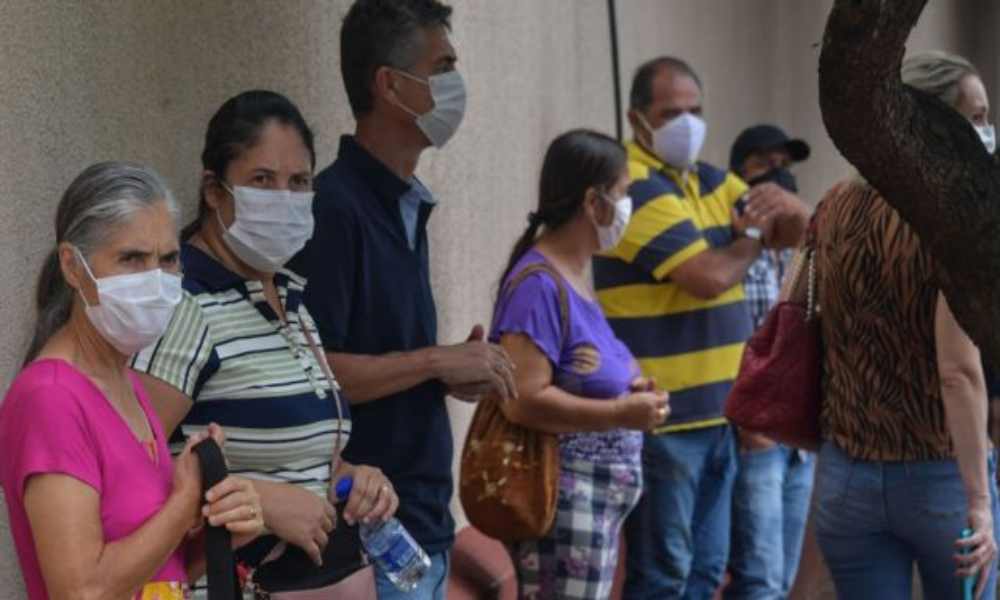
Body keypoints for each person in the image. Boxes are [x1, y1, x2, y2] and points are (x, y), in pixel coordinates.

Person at [131, 90, 398, 597]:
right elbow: (130, 464)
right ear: (213, 190)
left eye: (299, 182)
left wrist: (352, 477)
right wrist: (258, 501)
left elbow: (299, 458)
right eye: (262, 180)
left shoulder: (290, 298)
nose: (285, 198)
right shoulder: (186, 306)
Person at [291, 2, 516, 598]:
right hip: (370, 534)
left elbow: (380, 357)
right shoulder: (335, 210)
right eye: (442, 66)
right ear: (390, 86)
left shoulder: (404, 202)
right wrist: (435, 362)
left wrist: (446, 375)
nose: (455, 85)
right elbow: (315, 373)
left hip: (422, 525)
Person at [593, 56, 808, 599]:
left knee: (705, 573)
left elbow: (795, 233)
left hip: (719, 416)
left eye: (695, 111)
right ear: (636, 118)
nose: (685, 124)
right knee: (663, 576)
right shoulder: (632, 188)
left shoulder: (712, 181)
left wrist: (793, 209)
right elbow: (707, 277)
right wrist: (751, 238)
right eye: (670, 113)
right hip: (664, 421)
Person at [0, 161, 263, 600]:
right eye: (132, 259)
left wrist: (222, 529)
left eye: (168, 259)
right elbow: (81, 590)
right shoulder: (50, 398)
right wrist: (183, 504)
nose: (155, 280)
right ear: (73, 266)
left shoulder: (128, 385)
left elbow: (159, 570)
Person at [813, 50, 999, 599]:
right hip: (939, 473)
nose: (987, 130)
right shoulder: (953, 220)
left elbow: (798, 311)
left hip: (845, 475)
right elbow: (957, 372)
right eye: (978, 116)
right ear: (933, 122)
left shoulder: (835, 203)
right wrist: (980, 503)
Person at [491, 129, 670, 599]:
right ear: (594, 202)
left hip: (594, 510)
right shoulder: (539, 285)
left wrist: (633, 395)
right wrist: (620, 414)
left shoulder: (574, 276)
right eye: (624, 193)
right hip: (564, 507)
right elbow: (523, 400)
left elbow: (583, 375)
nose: (629, 207)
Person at [725, 124, 812, 600]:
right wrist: (749, 422)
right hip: (755, 434)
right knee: (759, 581)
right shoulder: (734, 248)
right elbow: (734, 336)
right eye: (765, 164)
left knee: (784, 579)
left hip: (798, 441)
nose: (778, 176)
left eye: (785, 164)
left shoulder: (800, 252)